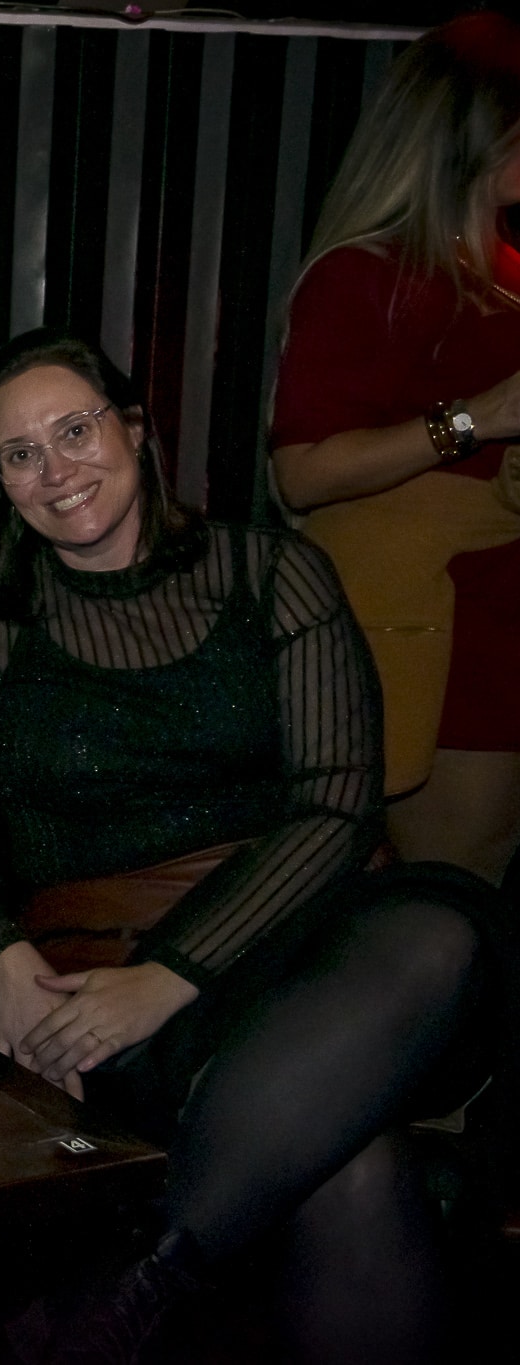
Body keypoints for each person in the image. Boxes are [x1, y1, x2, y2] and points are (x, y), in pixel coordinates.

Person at [0, 328, 502, 1363]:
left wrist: (173, 973)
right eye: (20, 453)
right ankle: (144, 1285)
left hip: (300, 939)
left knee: (439, 931)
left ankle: (142, 1279)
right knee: (351, 1164)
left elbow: (337, 805)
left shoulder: (271, 572)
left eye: (75, 431)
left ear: (132, 428)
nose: (55, 469)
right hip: (96, 975)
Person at [273, 12, 520, 886]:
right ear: (474, 130)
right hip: (436, 642)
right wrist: (476, 419)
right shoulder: (368, 274)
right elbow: (301, 473)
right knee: (450, 899)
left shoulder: (504, 271)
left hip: (497, 617)